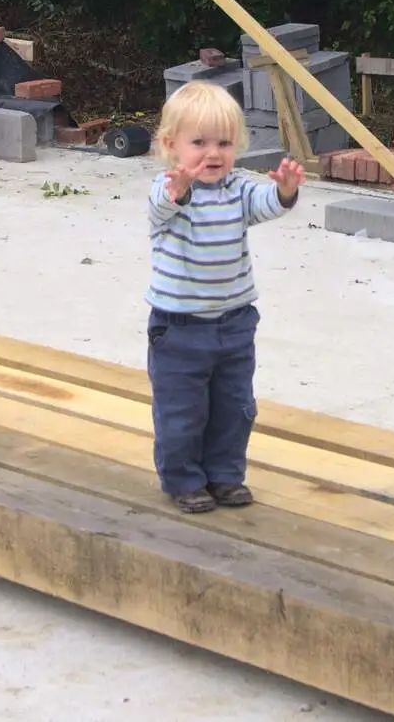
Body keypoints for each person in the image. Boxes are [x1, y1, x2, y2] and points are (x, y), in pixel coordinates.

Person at [144, 79, 305, 513]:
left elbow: (267, 202)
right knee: (182, 411)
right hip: (179, 329)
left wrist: (285, 190)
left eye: (224, 143)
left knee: (235, 407)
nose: (213, 154)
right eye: (199, 142)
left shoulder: (239, 189)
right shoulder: (170, 190)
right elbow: (162, 205)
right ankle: (183, 479)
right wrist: (178, 188)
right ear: (170, 144)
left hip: (235, 322)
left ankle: (225, 476)